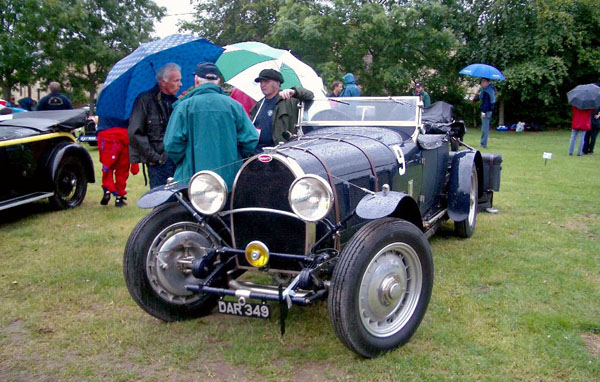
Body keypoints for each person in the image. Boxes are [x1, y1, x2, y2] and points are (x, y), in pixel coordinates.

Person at [164, 63, 258, 190]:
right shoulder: (234, 106)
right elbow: (251, 139)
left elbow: (172, 144)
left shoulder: (184, 107)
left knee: (191, 210)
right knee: (229, 209)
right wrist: (234, 156)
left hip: (191, 180)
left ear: (196, 80)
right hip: (229, 179)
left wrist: (186, 160)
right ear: (218, 81)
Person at [128, 62, 181, 188]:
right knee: (162, 203)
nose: (180, 84)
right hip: (158, 165)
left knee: (181, 203)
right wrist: (156, 158)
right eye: (177, 80)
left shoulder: (177, 102)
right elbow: (135, 133)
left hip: (177, 161)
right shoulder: (144, 100)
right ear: (163, 81)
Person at [249, 69, 314, 152]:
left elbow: (310, 95)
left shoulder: (289, 100)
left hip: (280, 152)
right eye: (261, 82)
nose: (262, 85)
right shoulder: (259, 105)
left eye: (266, 81)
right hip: (257, 153)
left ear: (277, 83)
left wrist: (294, 91)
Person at [96, 117, 139, 207]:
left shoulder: (104, 104)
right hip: (124, 133)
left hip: (106, 134)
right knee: (122, 169)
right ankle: (119, 197)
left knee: (108, 166)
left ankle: (107, 189)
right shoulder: (128, 103)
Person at [475, 78, 496, 148]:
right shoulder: (487, 90)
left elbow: (487, 103)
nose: (482, 83)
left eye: (483, 81)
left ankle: (483, 144)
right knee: (485, 128)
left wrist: (483, 112)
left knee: (485, 128)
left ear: (487, 82)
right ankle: (483, 143)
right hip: (488, 111)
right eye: (482, 81)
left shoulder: (488, 91)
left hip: (486, 112)